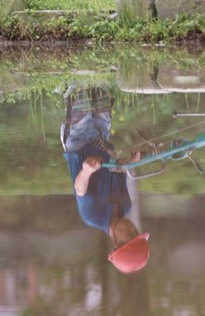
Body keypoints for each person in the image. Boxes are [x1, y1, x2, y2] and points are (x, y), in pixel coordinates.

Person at [61, 84, 150, 274]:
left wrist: (86, 171)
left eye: (131, 235)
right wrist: (131, 162)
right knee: (100, 85)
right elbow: (117, 171)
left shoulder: (92, 216)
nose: (134, 228)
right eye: (137, 232)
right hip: (102, 137)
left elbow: (80, 190)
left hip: (78, 142)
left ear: (116, 241)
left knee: (80, 90)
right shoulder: (126, 205)